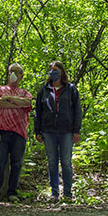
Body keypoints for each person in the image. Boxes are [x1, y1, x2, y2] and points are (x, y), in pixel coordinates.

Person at [34, 61, 82, 199]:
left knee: (66, 162)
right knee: (52, 162)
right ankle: (54, 193)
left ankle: (67, 193)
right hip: (48, 131)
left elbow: (77, 111)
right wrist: (37, 131)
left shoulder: (71, 89)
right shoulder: (44, 90)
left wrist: (76, 130)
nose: (52, 72)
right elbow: (38, 111)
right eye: (50, 70)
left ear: (61, 72)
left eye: (55, 69)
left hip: (66, 130)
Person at [0, 63, 34, 201]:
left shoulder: (25, 92)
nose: (13, 74)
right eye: (10, 72)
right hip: (1, 130)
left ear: (21, 76)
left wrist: (10, 99)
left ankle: (12, 193)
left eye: (16, 72)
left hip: (19, 133)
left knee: (17, 163)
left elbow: (28, 102)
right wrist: (15, 105)